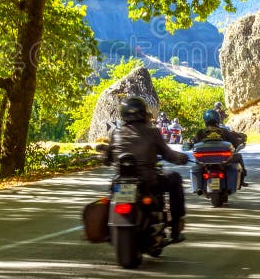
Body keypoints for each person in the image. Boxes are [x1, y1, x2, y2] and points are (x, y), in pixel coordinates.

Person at [104, 96, 190, 242]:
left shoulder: (116, 133)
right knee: (174, 178)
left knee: (110, 196)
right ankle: (175, 227)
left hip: (120, 183)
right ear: (144, 113)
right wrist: (182, 158)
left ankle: (108, 231)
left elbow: (107, 159)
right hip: (148, 182)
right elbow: (169, 155)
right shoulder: (153, 132)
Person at [193, 109, 248, 187]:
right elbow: (234, 142)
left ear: (205, 120)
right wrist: (239, 142)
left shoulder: (200, 132)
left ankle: (199, 186)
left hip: (204, 160)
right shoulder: (223, 131)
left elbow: (193, 144)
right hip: (223, 159)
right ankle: (242, 180)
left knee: (197, 163)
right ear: (218, 119)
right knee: (239, 156)